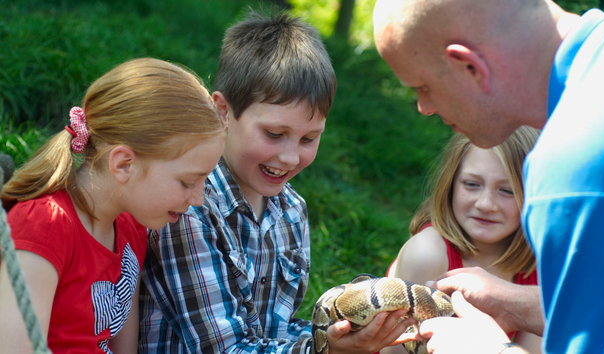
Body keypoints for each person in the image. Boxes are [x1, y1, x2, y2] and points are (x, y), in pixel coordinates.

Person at [138, 9, 418, 354]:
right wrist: (324, 350)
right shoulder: (188, 207)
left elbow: (276, 329)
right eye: (274, 134)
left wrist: (342, 332)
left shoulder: (291, 210)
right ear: (223, 112)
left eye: (308, 139)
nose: (289, 157)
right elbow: (223, 349)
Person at [373, 0, 604, 353]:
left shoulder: (572, 173)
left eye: (424, 86)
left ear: (469, 67)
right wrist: (518, 303)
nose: (424, 107)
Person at [0, 58, 225, 354]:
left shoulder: (130, 229)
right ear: (123, 164)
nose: (198, 199)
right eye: (187, 182)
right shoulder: (44, 226)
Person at [382, 127, 541, 354]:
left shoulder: (538, 268)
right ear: (451, 183)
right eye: (472, 184)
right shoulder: (427, 255)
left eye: (506, 190)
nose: (485, 204)